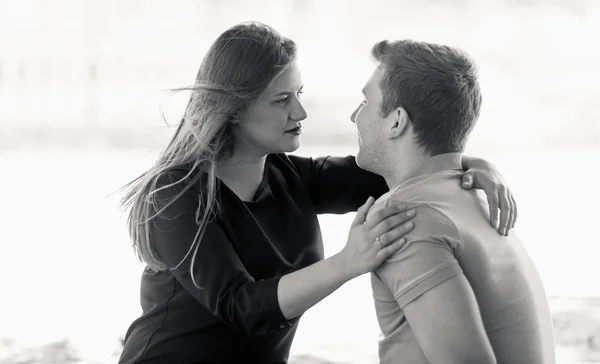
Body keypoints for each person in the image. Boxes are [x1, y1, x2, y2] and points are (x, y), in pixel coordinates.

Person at [117, 22, 518, 363]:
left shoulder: (293, 177)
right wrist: (349, 262)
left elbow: (406, 162)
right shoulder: (173, 195)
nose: (300, 113)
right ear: (234, 109)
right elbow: (242, 307)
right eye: (281, 100)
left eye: (299, 95)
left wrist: (478, 165)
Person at [353, 39, 554, 364]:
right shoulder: (476, 196)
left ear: (396, 121)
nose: (353, 116)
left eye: (364, 102)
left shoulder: (404, 217)